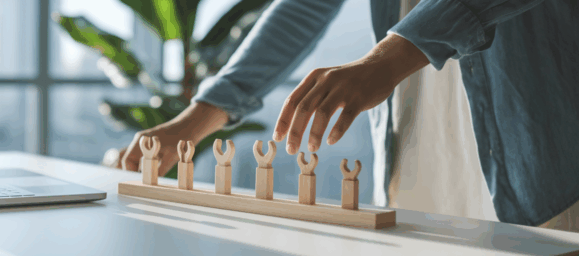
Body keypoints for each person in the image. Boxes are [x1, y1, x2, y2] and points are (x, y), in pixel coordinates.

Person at [114, 0, 579, 231]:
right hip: (416, 140)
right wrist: (194, 122)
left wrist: (387, 59)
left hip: (540, 144)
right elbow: (302, 7)